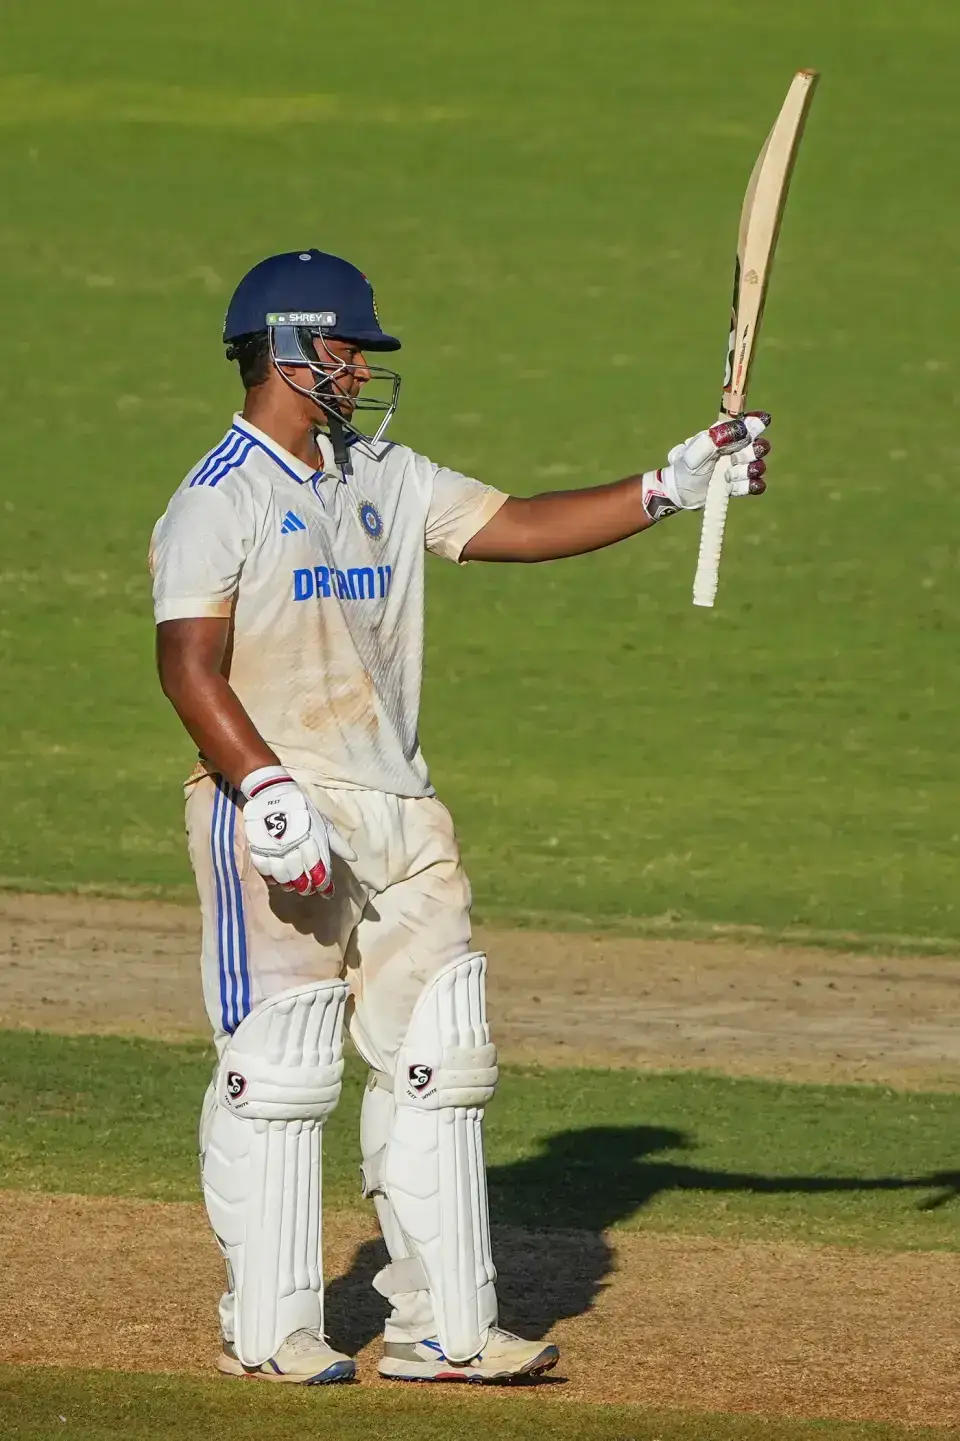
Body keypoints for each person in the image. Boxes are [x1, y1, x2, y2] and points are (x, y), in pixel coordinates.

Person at [150, 248, 770, 1386]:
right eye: (345, 348)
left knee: (441, 1053)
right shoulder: (217, 496)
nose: (360, 368)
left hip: (400, 804)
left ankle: (443, 1325)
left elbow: (518, 523)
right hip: (275, 808)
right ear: (286, 348)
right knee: (281, 1068)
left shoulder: (384, 473)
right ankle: (270, 1329)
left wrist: (669, 486)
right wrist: (267, 788)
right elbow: (187, 665)